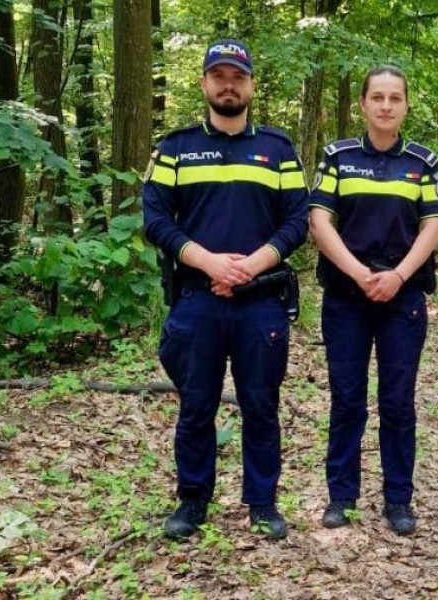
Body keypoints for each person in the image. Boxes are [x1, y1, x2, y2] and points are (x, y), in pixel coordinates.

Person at [142, 39, 309, 540]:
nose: (228, 85)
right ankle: (192, 500)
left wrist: (252, 265)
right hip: (198, 298)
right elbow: (155, 219)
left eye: (238, 77)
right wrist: (207, 261)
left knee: (261, 405)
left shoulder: (278, 150)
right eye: (219, 76)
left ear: (251, 85)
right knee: (196, 405)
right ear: (204, 83)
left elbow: (298, 220)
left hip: (261, 301)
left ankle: (263, 502)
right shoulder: (176, 148)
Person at [308, 65, 438, 536]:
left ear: (406, 105)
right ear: (363, 104)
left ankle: (398, 500)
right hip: (347, 297)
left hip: (402, 299)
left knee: (398, 401)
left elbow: (432, 226)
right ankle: (341, 497)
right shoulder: (338, 157)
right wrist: (360, 273)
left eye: (395, 98)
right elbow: (320, 221)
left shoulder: (423, 162)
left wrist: (398, 275)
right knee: (347, 399)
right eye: (378, 97)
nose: (386, 106)